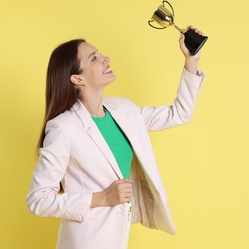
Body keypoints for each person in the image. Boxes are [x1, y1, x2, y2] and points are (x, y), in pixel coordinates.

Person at [26, 27, 206, 249]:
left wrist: (191, 60)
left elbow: (179, 114)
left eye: (100, 54)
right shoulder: (63, 128)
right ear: (77, 78)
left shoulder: (123, 109)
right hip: (85, 241)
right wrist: (102, 198)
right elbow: (38, 199)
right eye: (94, 58)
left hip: (119, 237)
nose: (106, 59)